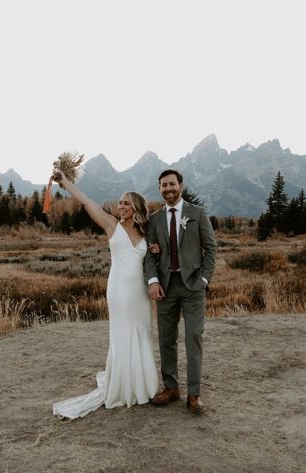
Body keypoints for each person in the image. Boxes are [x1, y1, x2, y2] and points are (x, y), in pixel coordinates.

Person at [51, 172, 158, 419]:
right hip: (119, 290)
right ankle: (121, 386)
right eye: (120, 202)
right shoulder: (112, 225)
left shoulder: (146, 235)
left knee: (142, 332)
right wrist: (65, 183)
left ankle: (141, 386)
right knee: (122, 334)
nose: (120, 206)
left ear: (137, 207)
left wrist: (157, 249)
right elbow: (87, 202)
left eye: (126, 202)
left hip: (140, 292)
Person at [143, 169, 216, 415]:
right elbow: (149, 254)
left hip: (193, 286)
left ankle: (193, 394)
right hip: (165, 286)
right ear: (159, 188)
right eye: (163, 185)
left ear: (181, 186)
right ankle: (171, 387)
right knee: (166, 339)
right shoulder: (153, 219)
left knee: (194, 335)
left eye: (172, 184)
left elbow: (211, 249)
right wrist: (153, 281)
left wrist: (204, 280)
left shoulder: (197, 214)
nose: (168, 189)